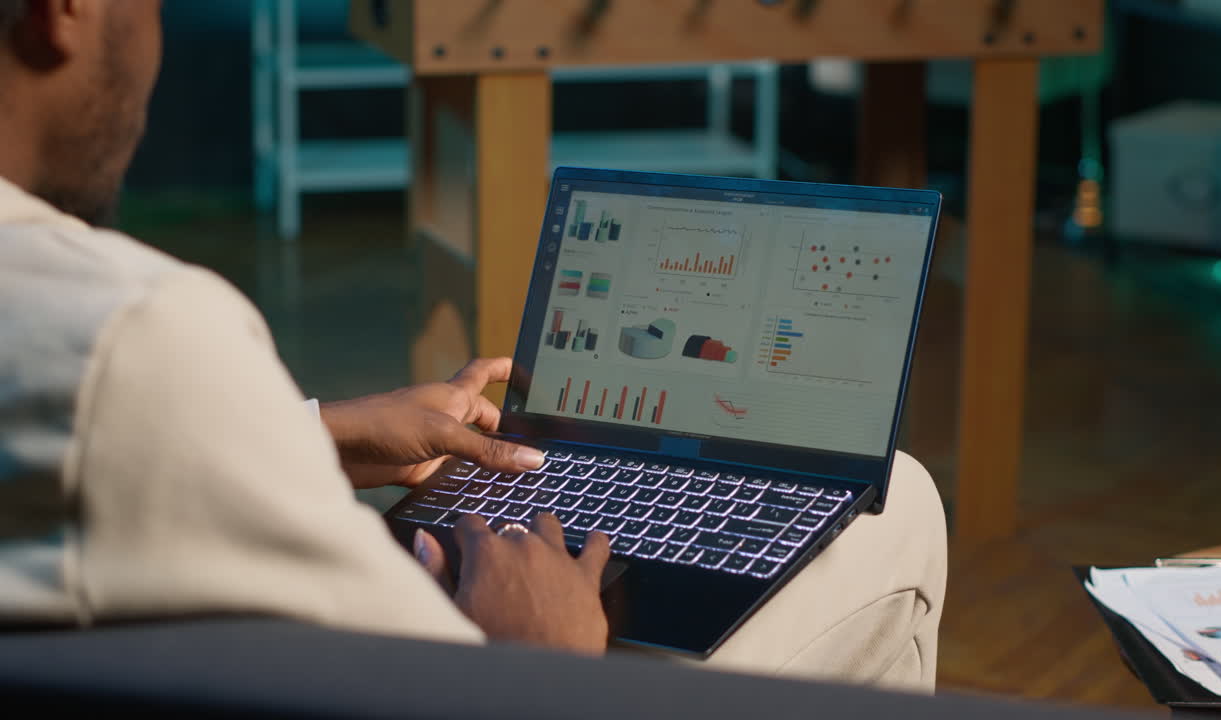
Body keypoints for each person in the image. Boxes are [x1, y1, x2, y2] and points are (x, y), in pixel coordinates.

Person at [0, 0, 947, 689]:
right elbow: (403, 664)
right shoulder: (134, 331)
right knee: (898, 500)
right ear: (66, 11)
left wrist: (316, 433)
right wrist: (541, 660)